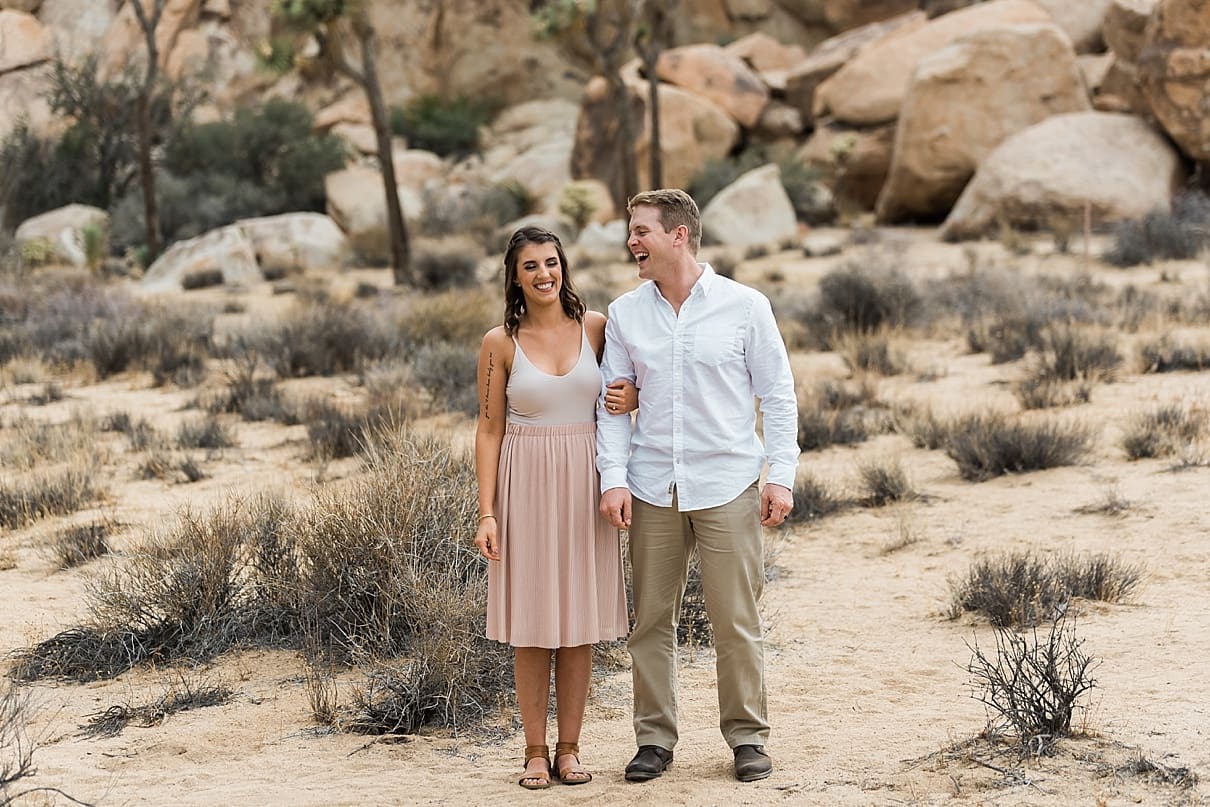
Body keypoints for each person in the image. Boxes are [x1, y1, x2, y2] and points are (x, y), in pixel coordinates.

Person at [597, 189, 799, 784]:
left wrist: (780, 477)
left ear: (678, 235)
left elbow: (779, 395)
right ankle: (654, 740)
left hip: (728, 483)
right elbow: (613, 404)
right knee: (650, 622)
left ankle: (747, 739)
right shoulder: (626, 314)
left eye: (642, 231)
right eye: (631, 231)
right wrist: (614, 481)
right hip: (652, 485)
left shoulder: (745, 306)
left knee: (735, 620)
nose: (632, 241)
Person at [474, 226, 637, 790]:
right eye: (530, 267)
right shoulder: (501, 342)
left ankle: (570, 748)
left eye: (551, 262)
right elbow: (489, 429)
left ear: (563, 266)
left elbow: (632, 385)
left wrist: (632, 396)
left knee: (578, 625)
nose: (544, 274)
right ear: (514, 277)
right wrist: (487, 512)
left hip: (586, 484)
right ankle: (535, 751)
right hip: (526, 485)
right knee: (534, 625)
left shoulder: (595, 328)